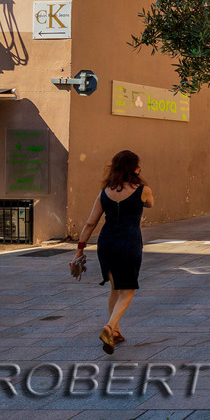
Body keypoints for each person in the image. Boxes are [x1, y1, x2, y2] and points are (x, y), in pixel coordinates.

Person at [74, 150, 154, 355]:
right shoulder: (143, 190)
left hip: (106, 244)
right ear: (134, 168)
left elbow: (91, 222)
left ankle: (116, 332)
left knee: (115, 288)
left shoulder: (104, 193)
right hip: (129, 244)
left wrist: (79, 251)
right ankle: (109, 327)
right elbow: (150, 204)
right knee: (128, 290)